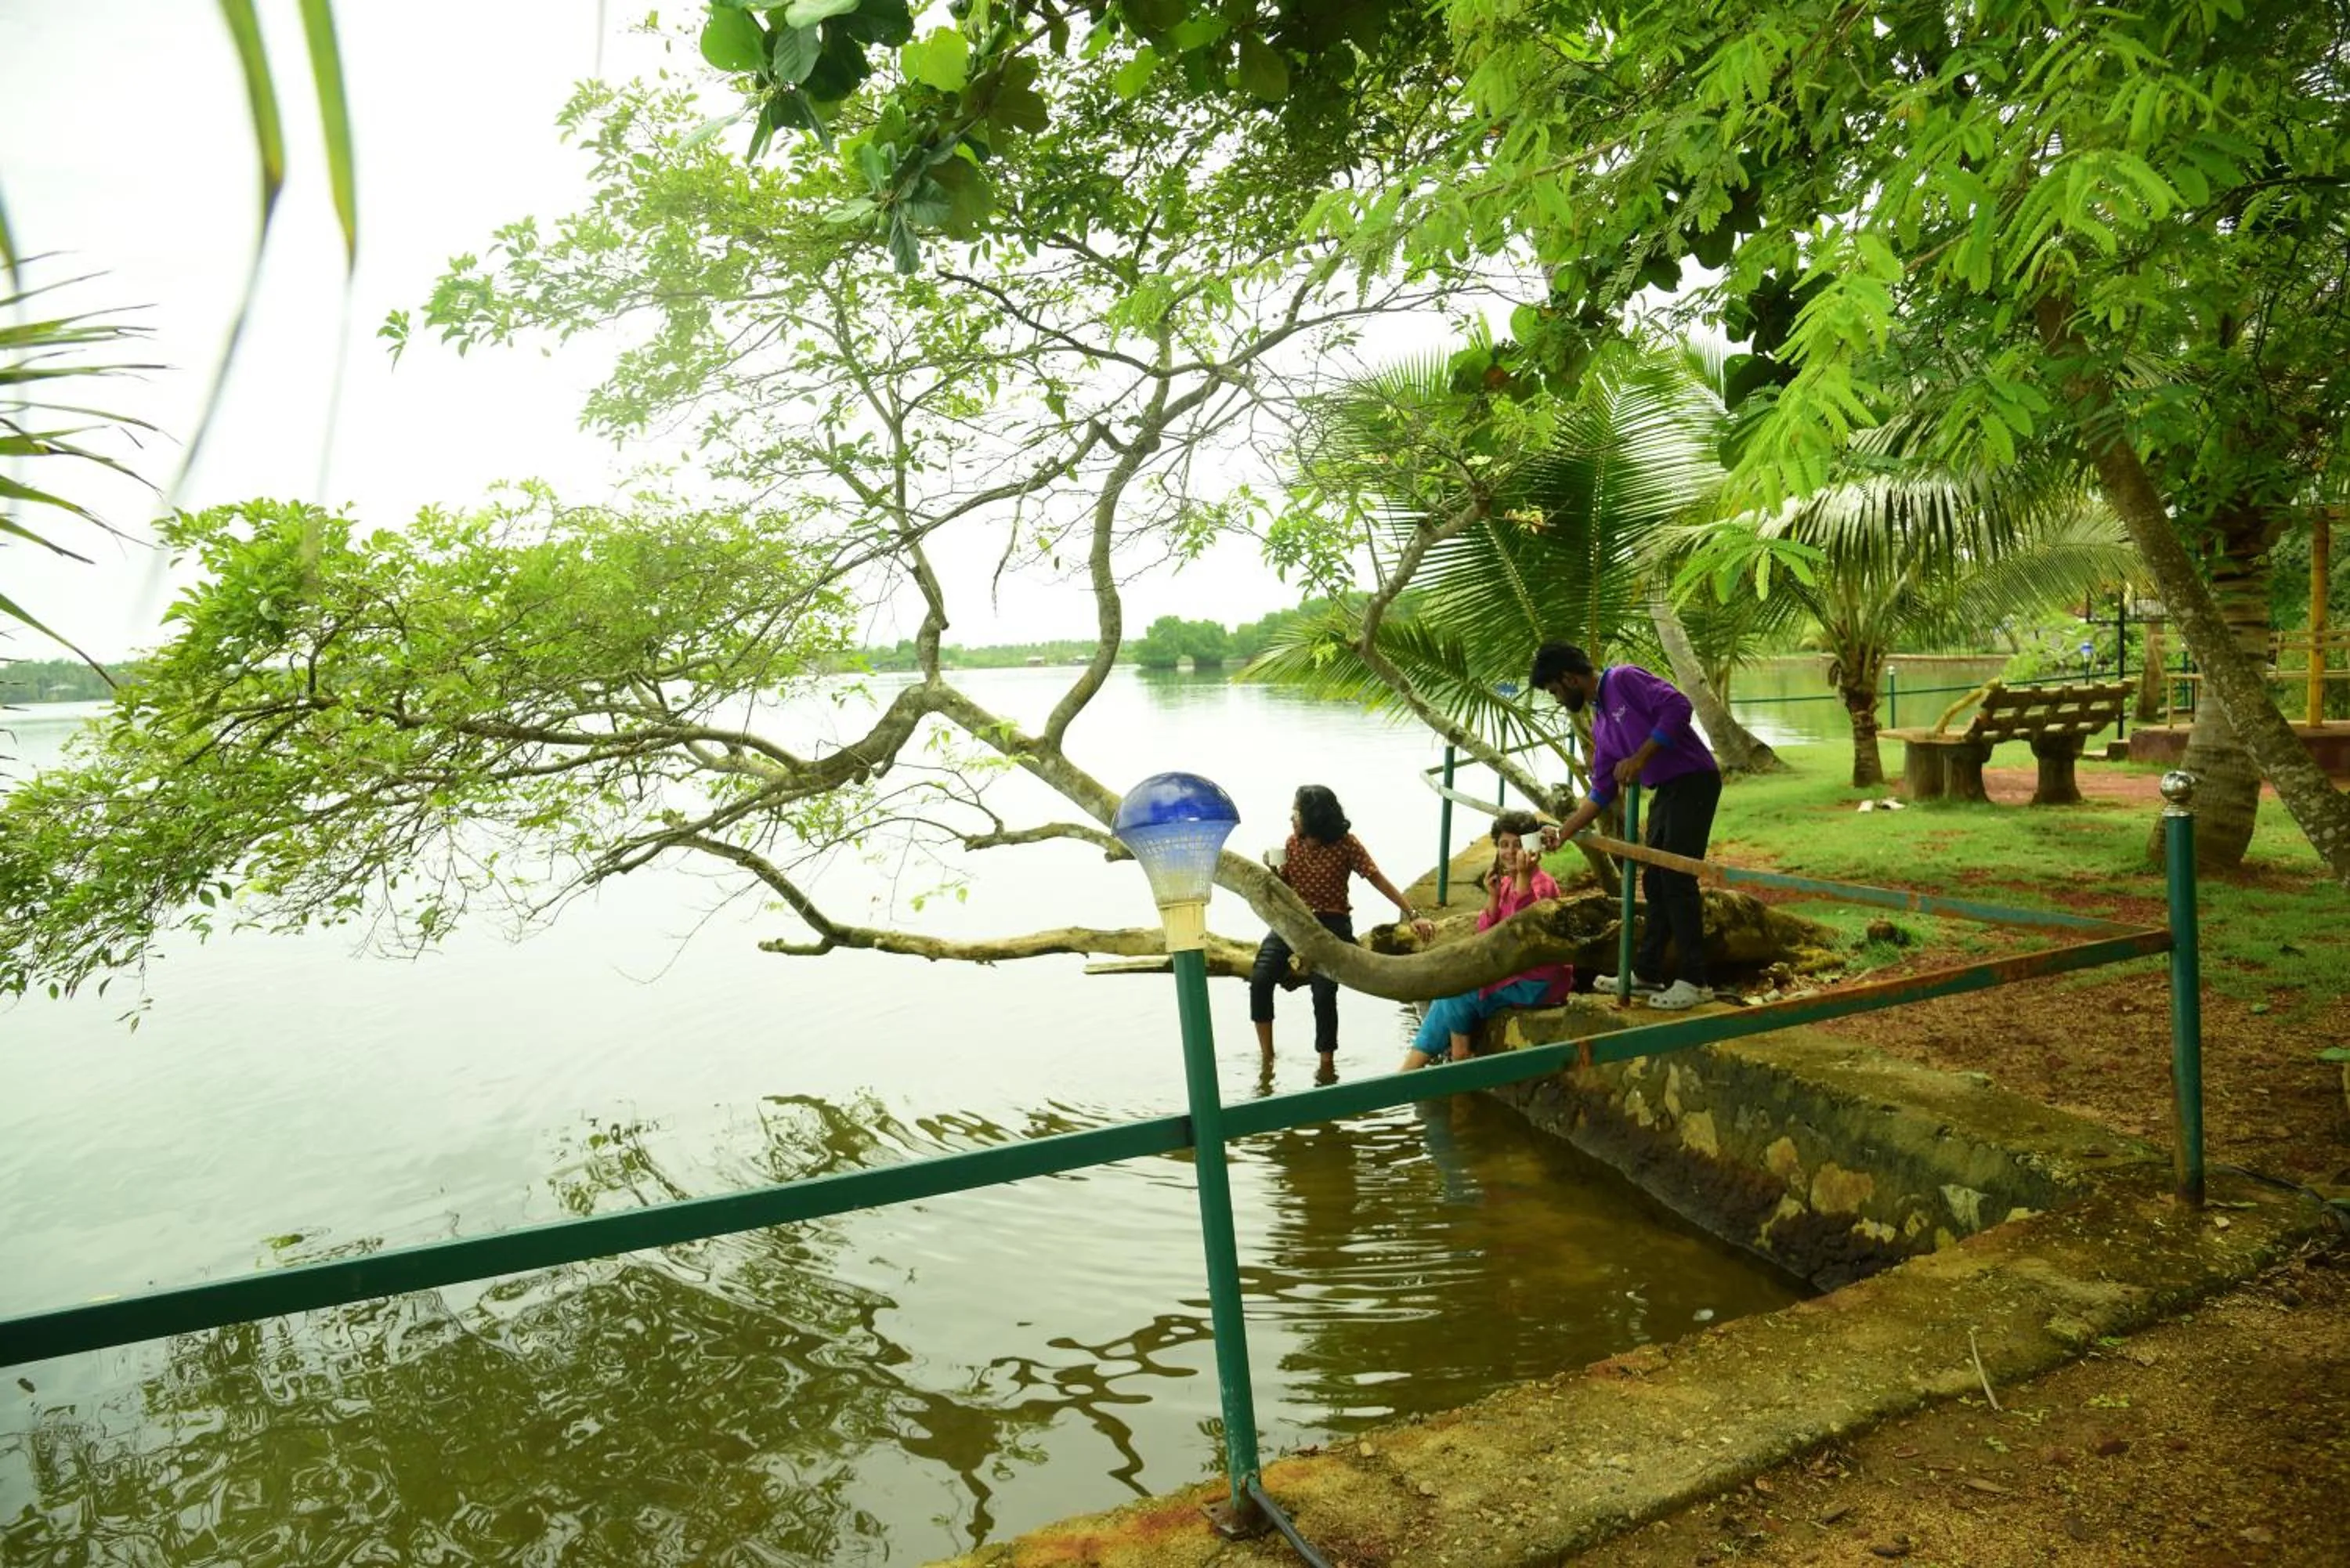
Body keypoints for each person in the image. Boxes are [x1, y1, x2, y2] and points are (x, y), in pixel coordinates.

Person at [1530, 641, 1723, 1010]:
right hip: (1667, 791)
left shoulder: (1623, 679)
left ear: (1569, 678)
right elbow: (1601, 791)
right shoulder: (1602, 723)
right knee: (1654, 880)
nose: (1555, 699)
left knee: (1677, 878)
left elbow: (1678, 707)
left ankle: (1695, 980)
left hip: (1695, 781)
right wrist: (1564, 832)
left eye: (1554, 690)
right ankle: (1647, 972)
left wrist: (1639, 758)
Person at [1252, 785, 1434, 1081]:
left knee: (1324, 991)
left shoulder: (1346, 844)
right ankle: (1267, 1058)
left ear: (1313, 816)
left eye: (1296, 812)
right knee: (1261, 978)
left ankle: (1326, 1064)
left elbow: (1377, 878)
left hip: (1332, 923)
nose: (1291, 818)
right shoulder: (1291, 844)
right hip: (1294, 922)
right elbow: (1286, 889)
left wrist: (1413, 914)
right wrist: (1274, 871)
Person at [1400, 811, 1573, 1069]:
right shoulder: (1504, 885)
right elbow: (1486, 937)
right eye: (1504, 845)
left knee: (1456, 991)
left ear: (1531, 847)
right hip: (1509, 972)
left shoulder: (1541, 884)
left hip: (1535, 981)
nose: (1510, 852)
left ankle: (1458, 1056)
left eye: (1517, 845)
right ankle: (1409, 1072)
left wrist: (1524, 878)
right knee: (1444, 996)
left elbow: (1522, 935)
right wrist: (1492, 897)